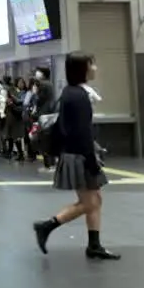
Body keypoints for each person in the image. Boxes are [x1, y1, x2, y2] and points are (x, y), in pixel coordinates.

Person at [33, 52, 120, 261]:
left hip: (76, 153)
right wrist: (91, 160)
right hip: (80, 156)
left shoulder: (71, 92)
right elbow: (81, 132)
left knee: (95, 199)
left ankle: (94, 245)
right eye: (92, 64)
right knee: (89, 202)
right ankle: (47, 225)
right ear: (83, 68)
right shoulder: (78, 96)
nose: (95, 68)